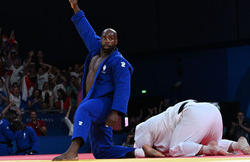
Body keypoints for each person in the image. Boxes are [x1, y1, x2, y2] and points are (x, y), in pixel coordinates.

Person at [52, 0, 148, 160]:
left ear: (116, 41)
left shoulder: (119, 62)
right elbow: (86, 30)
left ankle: (73, 152)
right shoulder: (96, 49)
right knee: (102, 152)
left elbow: (123, 88)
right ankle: (139, 152)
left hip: (106, 104)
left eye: (111, 38)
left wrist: (115, 112)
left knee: (83, 109)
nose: (107, 40)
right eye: (105, 37)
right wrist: (76, 8)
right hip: (94, 101)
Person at [133, 100, 250, 157]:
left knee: (175, 149)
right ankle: (237, 145)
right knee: (216, 144)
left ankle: (207, 149)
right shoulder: (156, 122)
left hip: (193, 113)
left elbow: (140, 151)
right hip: (212, 110)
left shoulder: (142, 128)